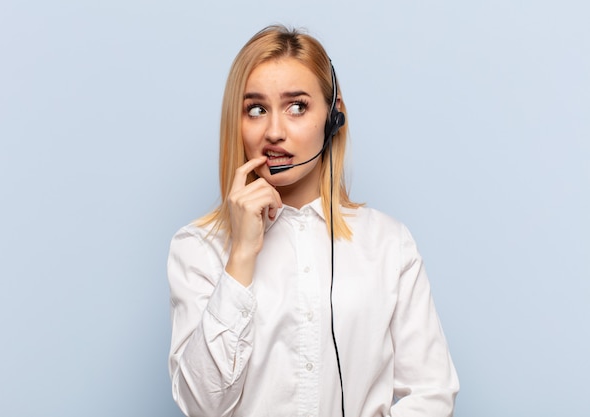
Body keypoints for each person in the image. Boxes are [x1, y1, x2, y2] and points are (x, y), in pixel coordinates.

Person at [167, 25, 459, 417]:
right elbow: (200, 405)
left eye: (297, 106)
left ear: (333, 117)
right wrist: (240, 257)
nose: (274, 131)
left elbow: (431, 393)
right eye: (256, 109)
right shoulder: (197, 247)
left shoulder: (389, 243)